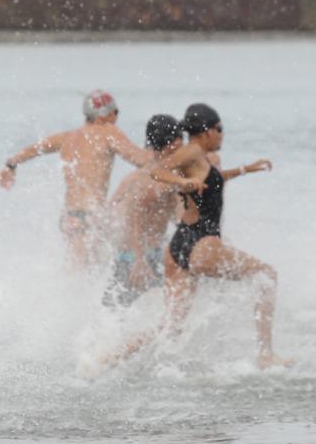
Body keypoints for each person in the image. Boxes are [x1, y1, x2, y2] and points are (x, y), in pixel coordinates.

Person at [108, 103, 288, 370]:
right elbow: (155, 172)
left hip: (180, 244)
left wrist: (245, 169)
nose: (222, 135)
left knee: (170, 326)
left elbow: (211, 180)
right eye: (220, 129)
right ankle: (265, 356)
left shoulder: (198, 157)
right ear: (206, 131)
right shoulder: (191, 152)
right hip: (201, 240)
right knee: (266, 275)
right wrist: (183, 183)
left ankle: (108, 358)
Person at [0, 90, 154, 267]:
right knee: (92, 273)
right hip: (91, 216)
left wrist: (10, 165)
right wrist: (169, 152)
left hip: (69, 217)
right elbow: (140, 160)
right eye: (116, 112)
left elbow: (34, 149)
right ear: (105, 114)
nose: (117, 116)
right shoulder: (109, 132)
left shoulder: (67, 137)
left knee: (76, 275)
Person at [103, 114, 184, 307]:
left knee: (112, 317)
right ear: (174, 143)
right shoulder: (166, 177)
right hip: (144, 259)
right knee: (168, 314)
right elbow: (134, 211)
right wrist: (139, 260)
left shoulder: (135, 176)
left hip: (123, 257)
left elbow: (109, 213)